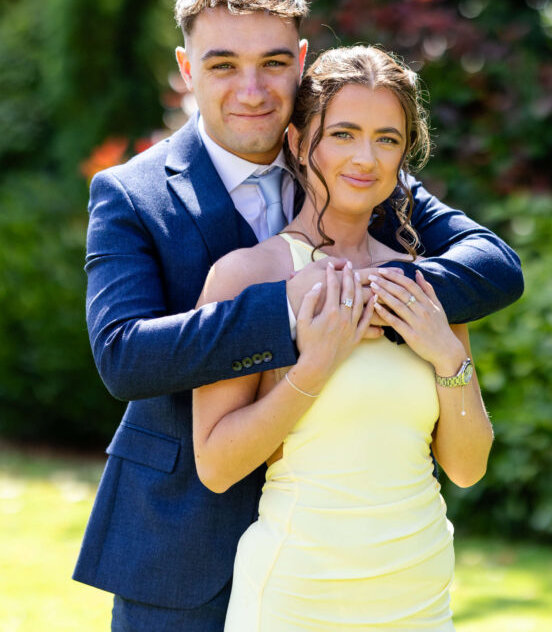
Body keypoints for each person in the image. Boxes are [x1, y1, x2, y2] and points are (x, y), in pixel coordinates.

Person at [73, 0, 522, 631]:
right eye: (224, 65)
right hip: (182, 538)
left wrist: (374, 295)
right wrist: (291, 309)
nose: (252, 89)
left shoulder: (355, 163)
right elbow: (122, 356)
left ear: (302, 62)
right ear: (188, 68)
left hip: (357, 551)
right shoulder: (132, 194)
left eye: (274, 63)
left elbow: (495, 266)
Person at [193, 44, 492, 630]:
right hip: (297, 598)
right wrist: (314, 366)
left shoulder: (424, 283)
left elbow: (467, 467)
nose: (365, 158)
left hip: (419, 597)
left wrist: (446, 354)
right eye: (343, 134)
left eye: (387, 139)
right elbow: (218, 465)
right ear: (299, 141)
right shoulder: (248, 275)